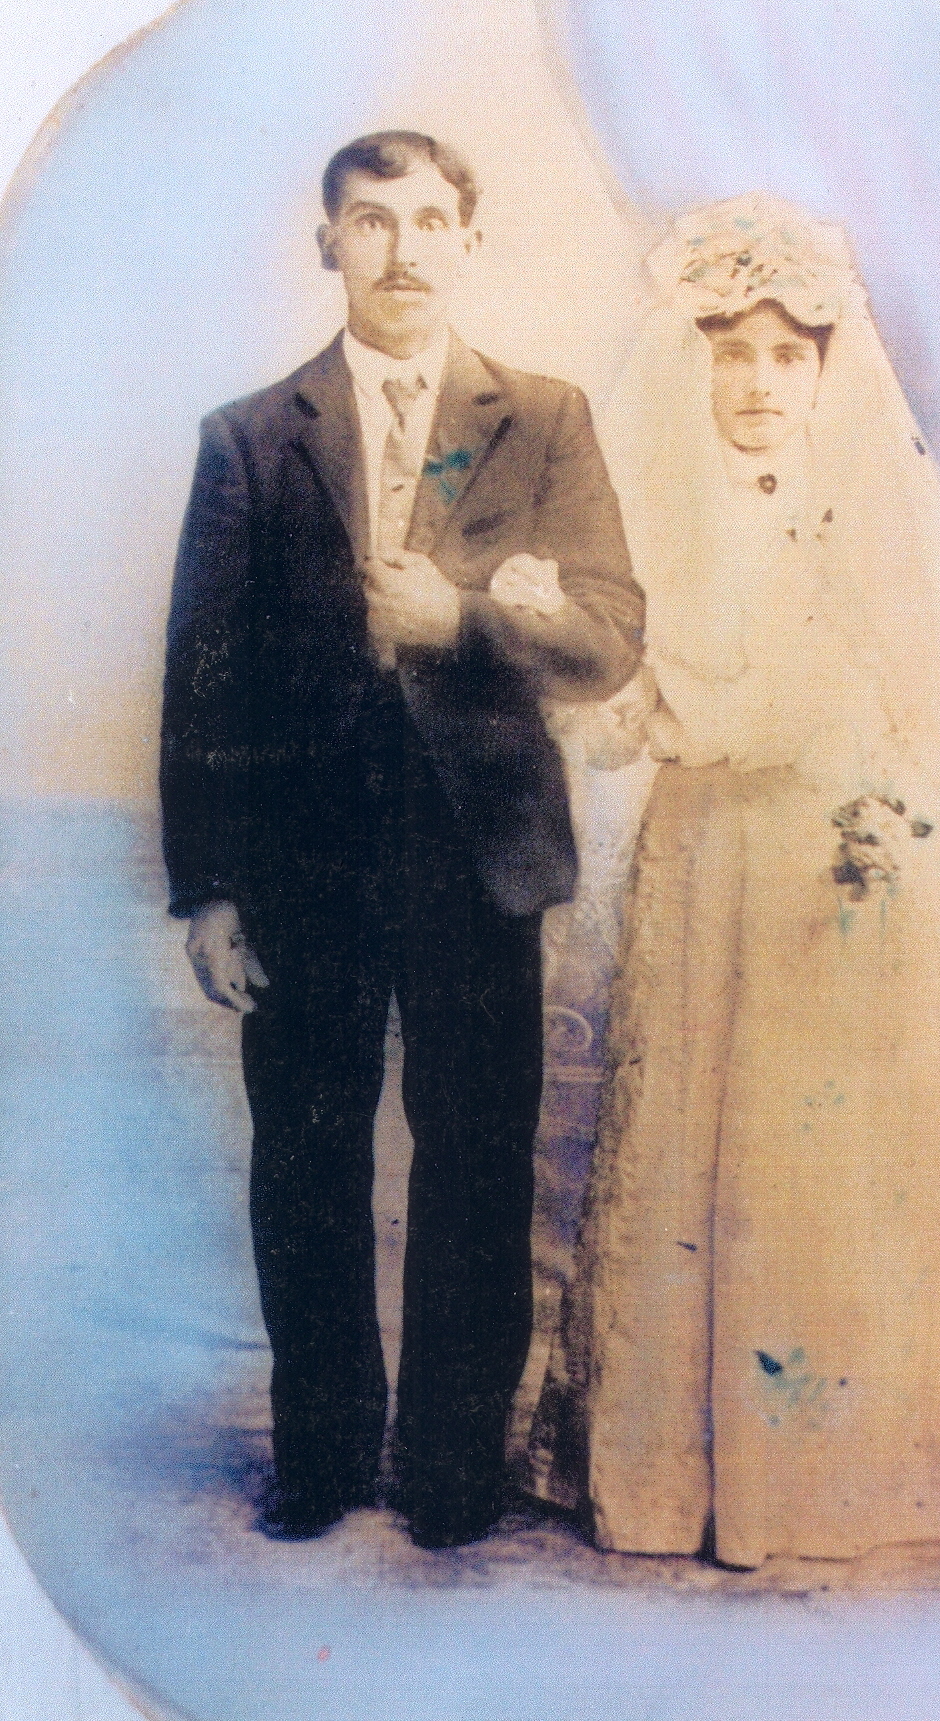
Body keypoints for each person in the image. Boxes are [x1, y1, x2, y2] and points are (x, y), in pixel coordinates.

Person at [528, 193, 940, 1570]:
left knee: (819, 1151)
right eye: (732, 355)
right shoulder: (661, 516)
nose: (759, 384)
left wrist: (888, 827)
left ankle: (844, 1469)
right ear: (697, 366)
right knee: (696, 1129)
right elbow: (616, 712)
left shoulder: (883, 520)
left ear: (829, 369)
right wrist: (572, 650)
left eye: (786, 355)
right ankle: (682, 1475)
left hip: (834, 872)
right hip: (708, 858)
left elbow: (908, 718)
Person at [159, 131, 642, 1548]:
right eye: (372, 222)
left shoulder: (541, 418)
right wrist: (210, 890)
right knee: (304, 1157)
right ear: (330, 245)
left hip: (476, 852)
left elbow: (610, 638)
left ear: (467, 241)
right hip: (302, 862)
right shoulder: (253, 435)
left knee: (477, 1154)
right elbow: (202, 679)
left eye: (432, 220)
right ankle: (320, 1458)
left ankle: (448, 1470)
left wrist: (464, 618)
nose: (405, 250)